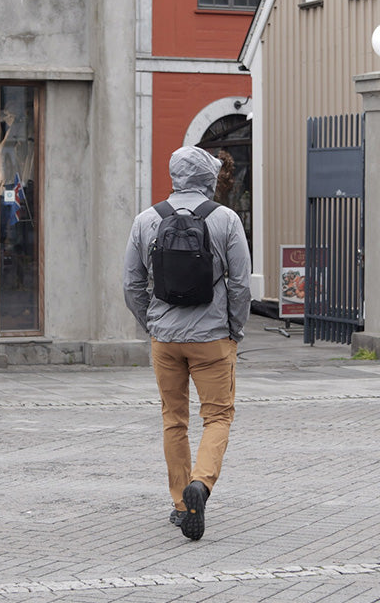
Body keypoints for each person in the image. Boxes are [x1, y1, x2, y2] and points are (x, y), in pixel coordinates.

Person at [123, 145, 252, 541]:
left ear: (174, 176)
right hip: (212, 338)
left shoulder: (147, 220)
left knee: (173, 419)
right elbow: (241, 285)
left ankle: (181, 502)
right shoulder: (226, 220)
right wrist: (234, 329)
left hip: (166, 339)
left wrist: (153, 323)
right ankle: (202, 483)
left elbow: (131, 285)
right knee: (217, 417)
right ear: (209, 179)